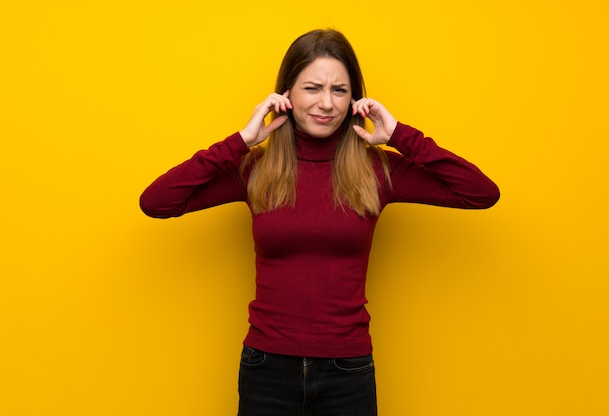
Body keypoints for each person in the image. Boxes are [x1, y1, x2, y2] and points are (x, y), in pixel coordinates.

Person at [140, 29, 499, 416]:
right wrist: (242, 140)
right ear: (286, 95)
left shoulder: (376, 170)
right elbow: (157, 201)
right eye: (312, 88)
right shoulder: (256, 168)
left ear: (355, 101)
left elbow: (480, 193)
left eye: (340, 90)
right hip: (266, 367)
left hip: (348, 371)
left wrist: (399, 135)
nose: (326, 103)